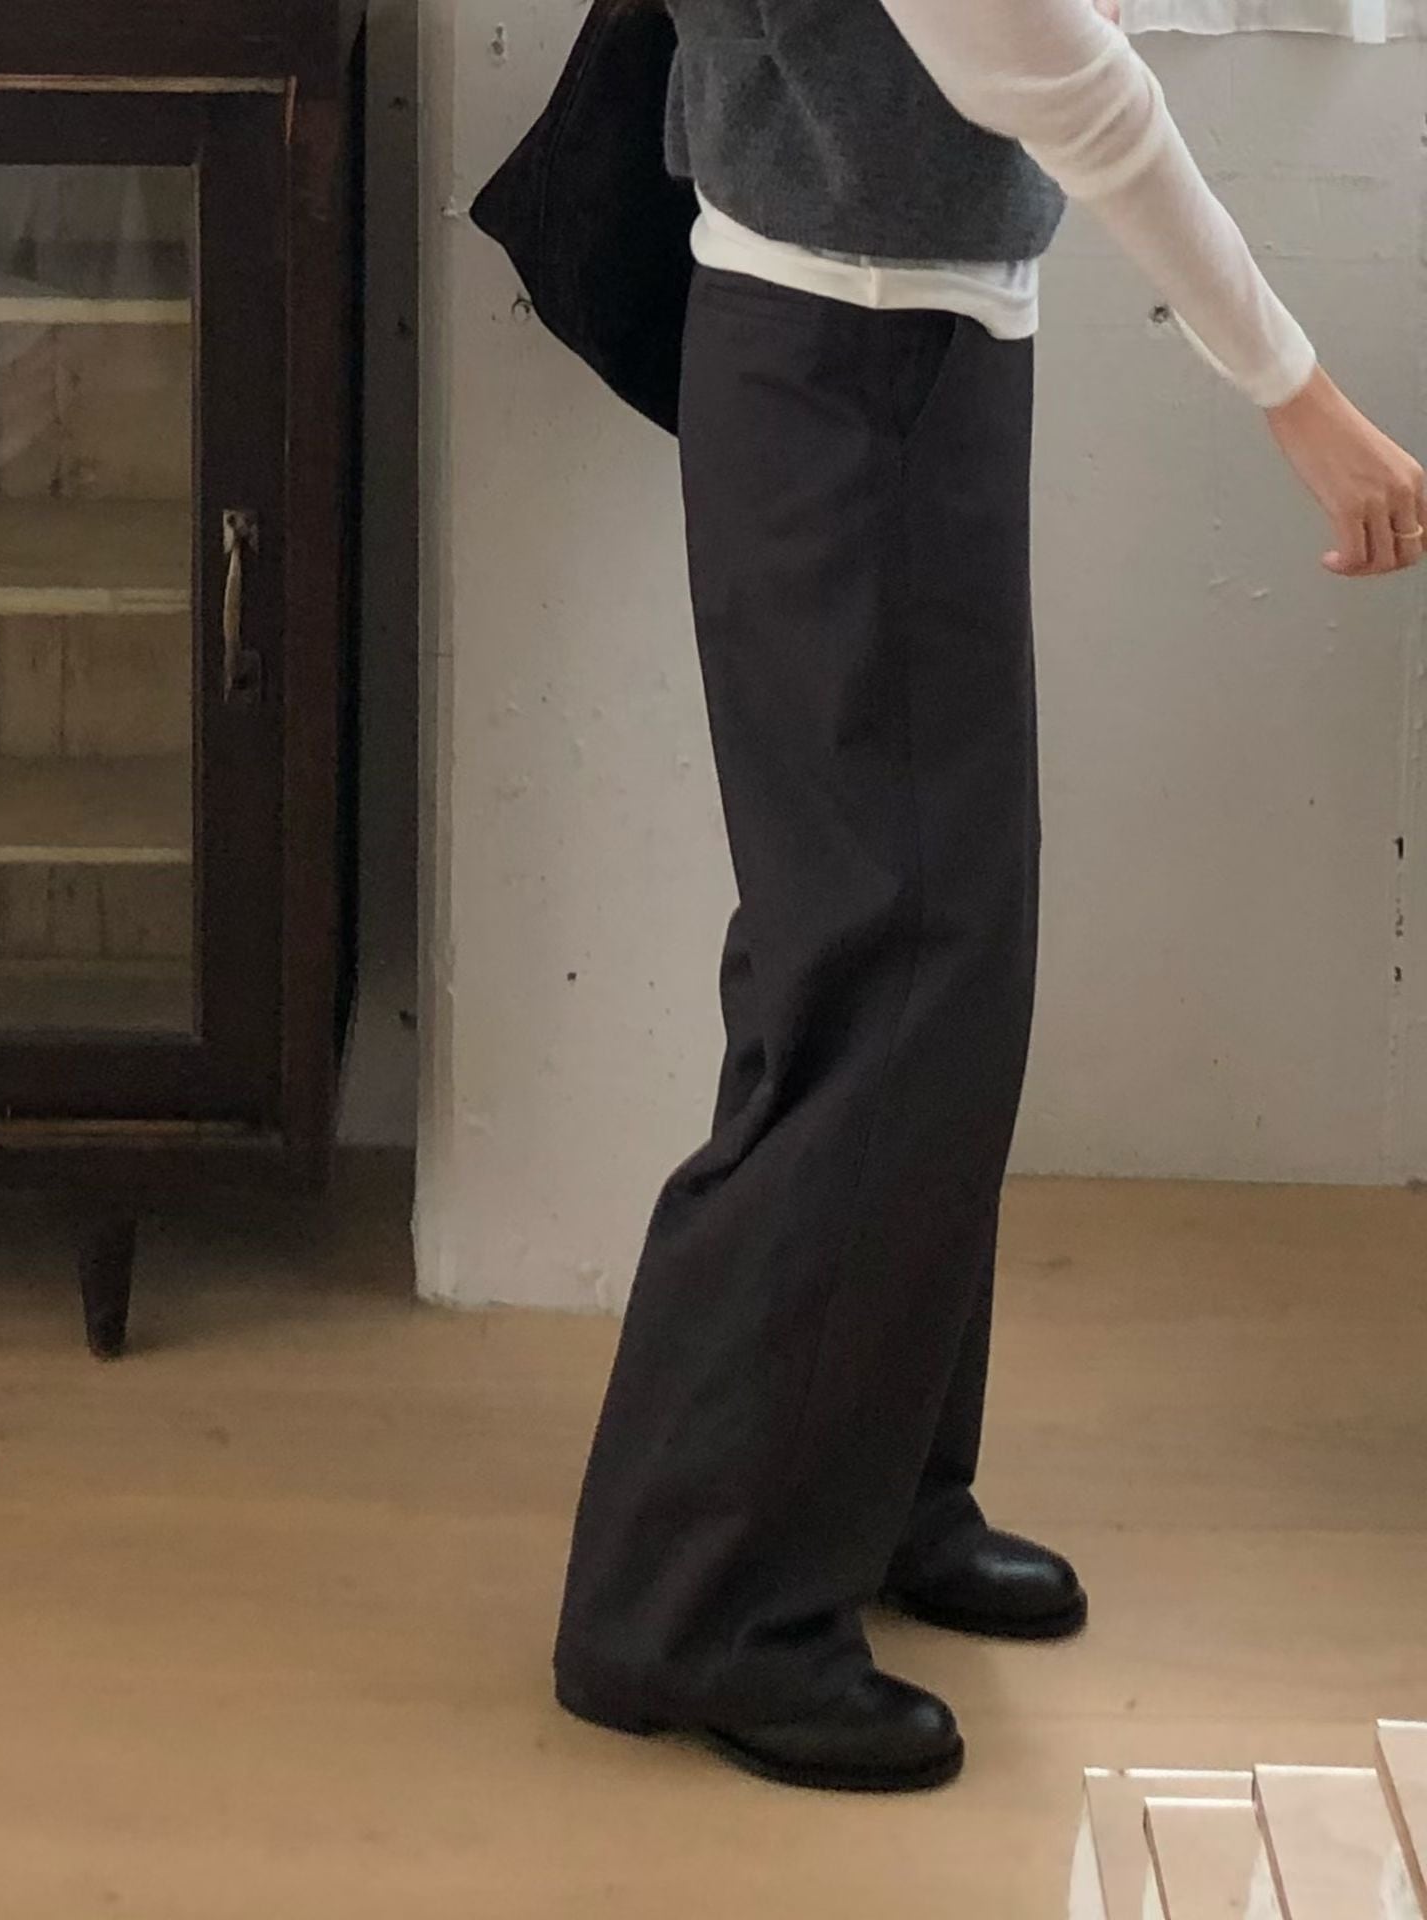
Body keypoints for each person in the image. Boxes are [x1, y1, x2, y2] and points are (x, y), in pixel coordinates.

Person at [553, 0, 1425, 1794]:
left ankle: (871, 1490)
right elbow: (1055, 72)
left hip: (884, 352)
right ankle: (696, 1612)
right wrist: (1301, 395)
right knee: (884, 988)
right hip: (846, 366)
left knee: (925, 971)